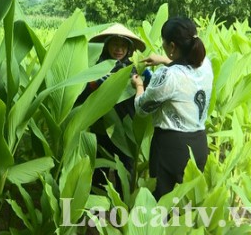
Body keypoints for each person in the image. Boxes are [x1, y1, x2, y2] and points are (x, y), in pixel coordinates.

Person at [131, 16, 213, 200]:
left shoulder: (168, 76)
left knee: (165, 203)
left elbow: (142, 108)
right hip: (199, 144)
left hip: (171, 148)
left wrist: (138, 86)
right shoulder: (206, 64)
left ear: (173, 46)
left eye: (164, 44)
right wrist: (163, 59)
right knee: (188, 204)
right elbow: (187, 71)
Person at [76, 23, 150, 194]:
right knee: (99, 166)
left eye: (124, 45)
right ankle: (97, 206)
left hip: (126, 127)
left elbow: (144, 96)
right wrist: (93, 85)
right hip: (101, 125)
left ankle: (122, 206)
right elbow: (80, 96)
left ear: (129, 49)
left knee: (125, 168)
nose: (119, 49)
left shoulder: (135, 70)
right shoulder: (95, 69)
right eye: (115, 44)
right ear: (107, 45)